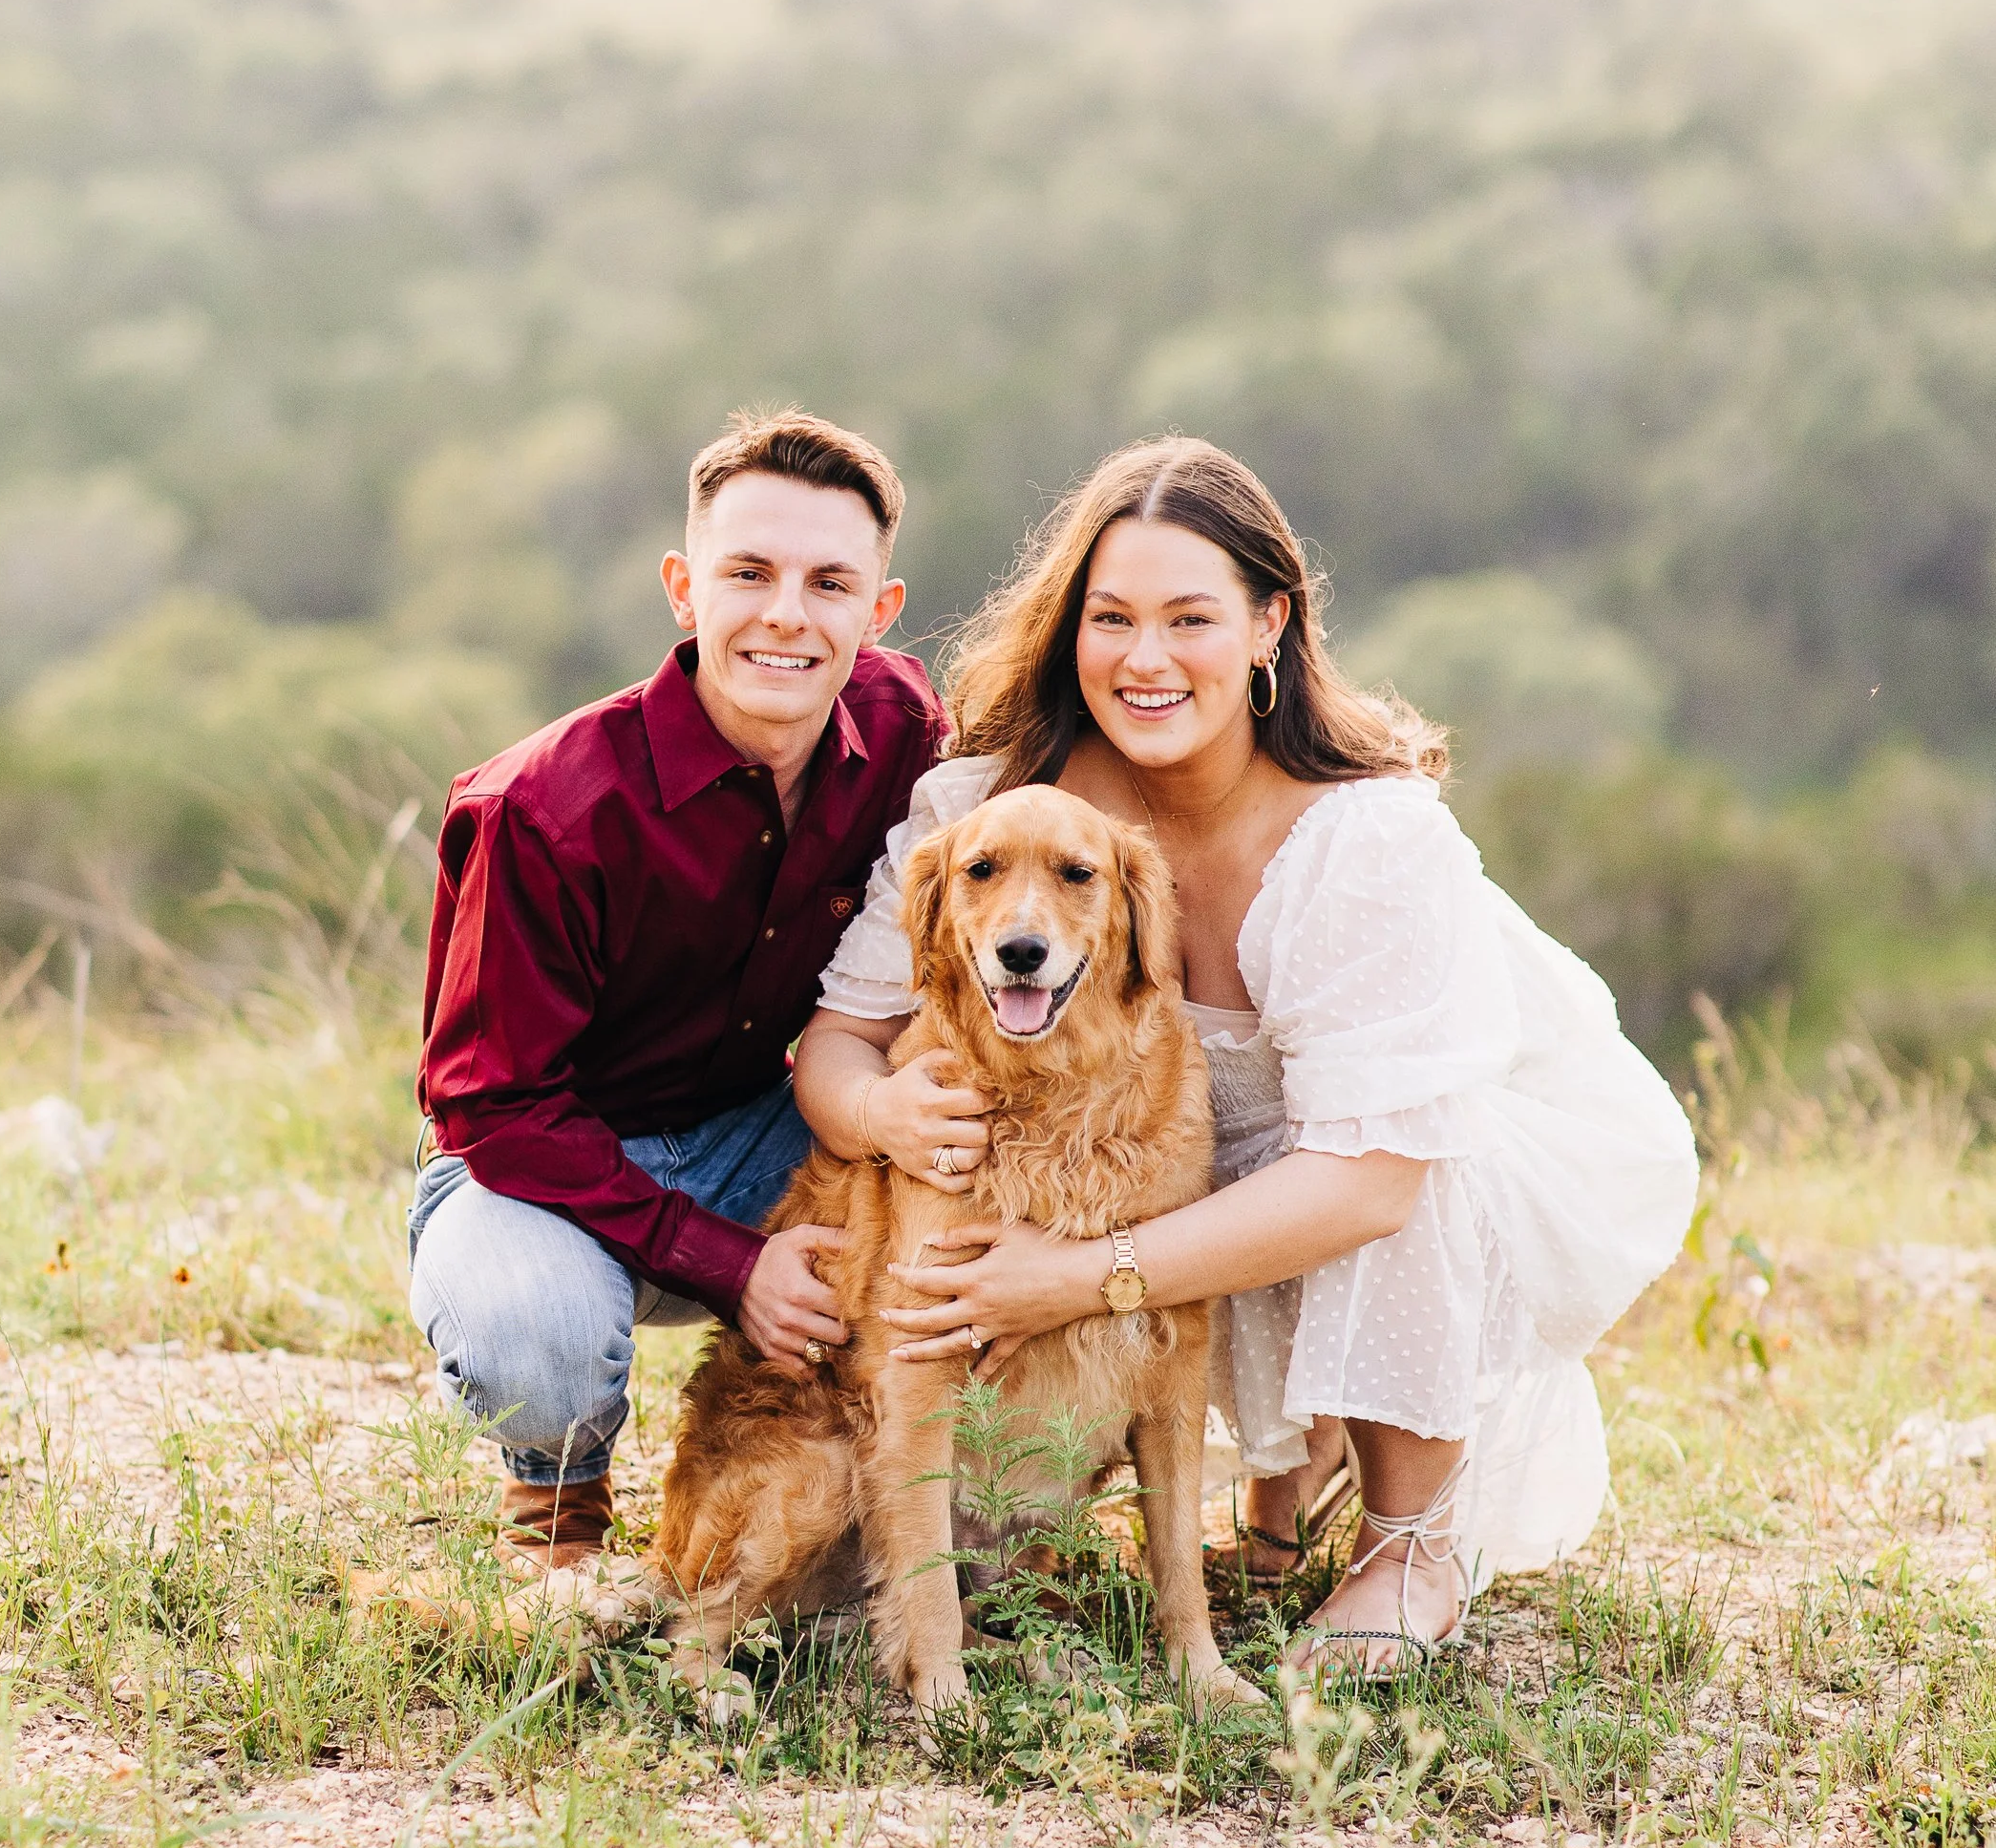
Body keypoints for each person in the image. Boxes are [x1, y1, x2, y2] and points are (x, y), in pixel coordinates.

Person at [792, 437, 1698, 1671]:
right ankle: (1281, 1495)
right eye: (1111, 618)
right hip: (1159, 1164)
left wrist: (1075, 1277)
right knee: (1197, 1158)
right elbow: (839, 1043)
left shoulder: (1366, 840)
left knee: (1419, 1158)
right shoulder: (988, 807)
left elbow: (1372, 1181)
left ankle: (1408, 1543)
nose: (1145, 658)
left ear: (1270, 623)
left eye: (1190, 619)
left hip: (1413, 1162)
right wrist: (880, 1114)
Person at [409, 409, 946, 1557]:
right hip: (534, 1161)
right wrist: (735, 1266)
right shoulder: (544, 810)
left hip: (757, 1125)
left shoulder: (905, 734)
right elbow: (491, 1105)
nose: (787, 613)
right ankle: (559, 1498)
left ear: (880, 609)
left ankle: (882, 1501)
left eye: (830, 582)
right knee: (539, 1334)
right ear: (684, 588)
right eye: (748, 572)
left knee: (958, 1175)